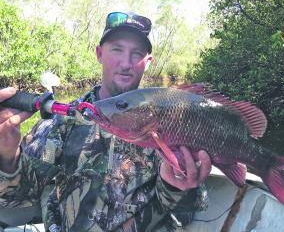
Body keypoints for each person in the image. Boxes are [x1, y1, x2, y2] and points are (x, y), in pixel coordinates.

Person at [0, 12, 212, 232]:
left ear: (147, 62)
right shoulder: (62, 119)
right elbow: (18, 197)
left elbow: (188, 210)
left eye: (136, 53)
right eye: (117, 49)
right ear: (100, 54)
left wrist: (175, 186)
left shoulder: (169, 121)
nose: (126, 63)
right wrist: (7, 156)